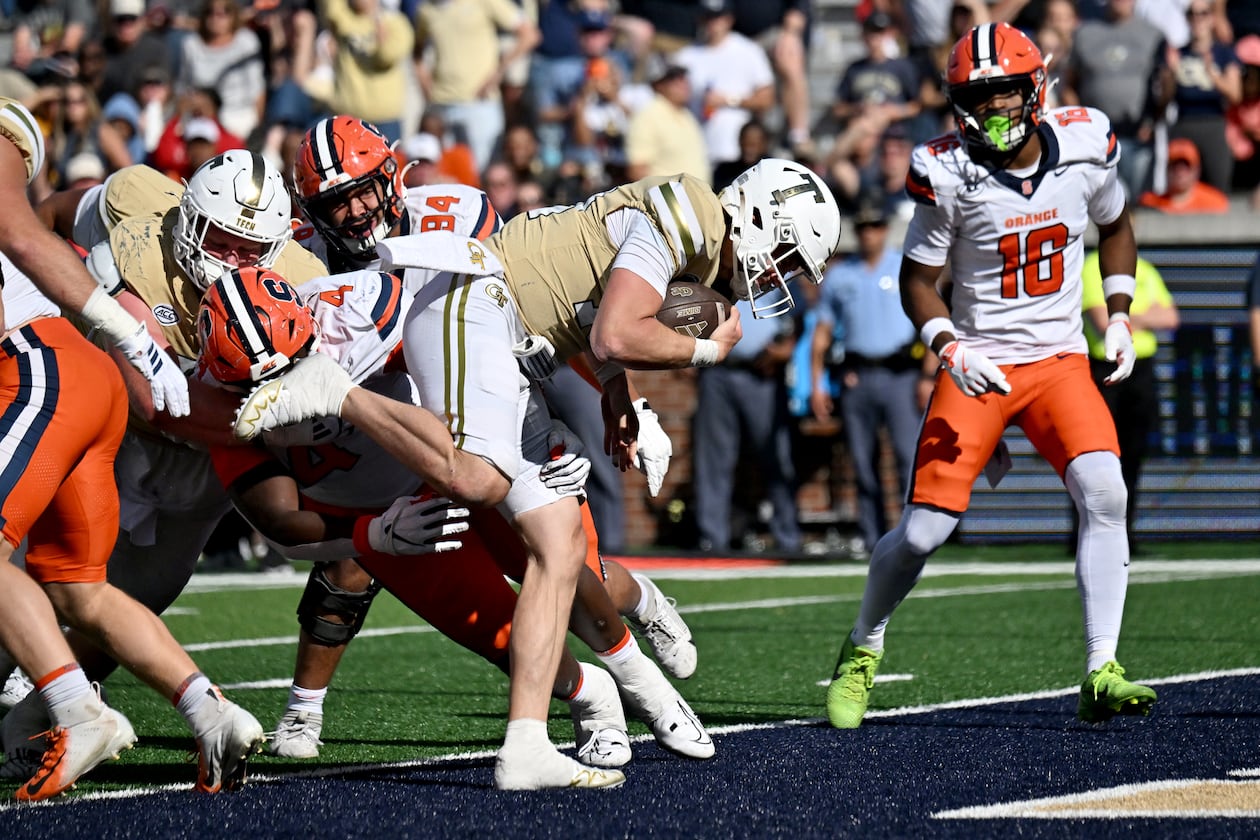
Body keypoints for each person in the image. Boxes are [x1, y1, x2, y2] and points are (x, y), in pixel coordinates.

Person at [229, 156, 843, 787]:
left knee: (560, 544)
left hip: (507, 333)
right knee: (478, 480)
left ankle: (525, 745)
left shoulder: (693, 234)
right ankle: (334, 391)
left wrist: (615, 395)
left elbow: (582, 303)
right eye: (788, 257)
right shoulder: (688, 219)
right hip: (474, 305)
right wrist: (706, 349)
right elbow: (612, 334)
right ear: (764, 217)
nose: (781, 275)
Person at [274, 114, 700, 760]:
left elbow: (542, 307)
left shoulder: (456, 215)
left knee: (561, 568)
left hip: (490, 419)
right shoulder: (296, 261)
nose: (358, 211)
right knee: (357, 569)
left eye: (366, 189)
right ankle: (304, 710)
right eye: (339, 201)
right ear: (312, 209)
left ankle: (639, 608)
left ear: (393, 175)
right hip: (398, 442)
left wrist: (619, 392)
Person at [199, 267, 711, 770]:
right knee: (505, 637)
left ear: (311, 322)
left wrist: (537, 427)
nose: (286, 381)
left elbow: (471, 351)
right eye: (263, 380)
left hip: (455, 456)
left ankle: (645, 682)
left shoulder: (360, 314)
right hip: (386, 515)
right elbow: (280, 522)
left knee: (560, 565)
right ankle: (593, 701)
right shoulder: (216, 405)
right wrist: (374, 535)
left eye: (296, 361)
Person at [826, 23, 1157, 731]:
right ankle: (863, 643)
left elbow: (1118, 227)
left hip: (1061, 357)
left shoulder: (1086, 143)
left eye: (1005, 93)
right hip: (980, 362)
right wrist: (950, 347)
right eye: (979, 96)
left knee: (1105, 490)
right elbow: (918, 281)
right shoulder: (947, 171)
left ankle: (1102, 665)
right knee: (921, 534)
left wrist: (1121, 313)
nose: (995, 109)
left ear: (1034, 89)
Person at [4, 154, 329, 779]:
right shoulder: (138, 206)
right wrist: (33, 276)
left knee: (132, 594)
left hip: (203, 456)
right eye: (223, 241)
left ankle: (52, 707)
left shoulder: (301, 279)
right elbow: (53, 213)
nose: (234, 260)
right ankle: (56, 699)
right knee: (33, 570)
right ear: (188, 219)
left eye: (251, 248)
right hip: (111, 430)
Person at [809, 201, 922, 557]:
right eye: (863, 228)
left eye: (875, 226)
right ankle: (874, 537)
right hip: (858, 377)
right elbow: (822, 334)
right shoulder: (842, 276)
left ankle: (915, 536)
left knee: (908, 458)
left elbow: (927, 320)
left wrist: (929, 374)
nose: (869, 234)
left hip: (900, 374)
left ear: (885, 229)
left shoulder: (903, 266)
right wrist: (817, 384)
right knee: (863, 462)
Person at [1073, 244, 1179, 554]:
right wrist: (1146, 316)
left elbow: (1171, 317)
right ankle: (1085, 534)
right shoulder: (1091, 265)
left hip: (1141, 371)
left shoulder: (1143, 268)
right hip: (1104, 369)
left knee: (1133, 455)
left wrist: (1128, 318)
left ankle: (1125, 535)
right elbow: (1103, 323)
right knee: (1095, 455)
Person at [692, 296, 801, 555]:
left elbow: (804, 317)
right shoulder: (717, 265)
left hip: (762, 373)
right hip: (716, 371)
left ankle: (788, 537)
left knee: (777, 457)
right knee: (713, 459)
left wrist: (788, 348)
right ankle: (712, 539)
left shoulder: (775, 270)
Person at [624, 59, 710, 183]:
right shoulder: (647, 116)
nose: (683, 84)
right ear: (658, 85)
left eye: (684, 78)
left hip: (699, 198)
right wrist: (669, 201)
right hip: (671, 200)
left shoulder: (686, 115)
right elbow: (637, 170)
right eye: (674, 79)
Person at [1138, 137, 1230, 213]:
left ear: (1197, 170)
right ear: (1166, 169)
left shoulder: (1214, 203)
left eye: (1186, 166)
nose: (1180, 172)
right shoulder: (1150, 203)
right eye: (1174, 166)